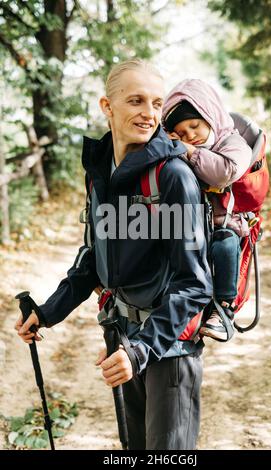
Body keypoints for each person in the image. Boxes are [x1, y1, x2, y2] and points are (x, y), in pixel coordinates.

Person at [15, 60, 213, 450]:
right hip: (122, 336)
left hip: (167, 347)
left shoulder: (172, 177)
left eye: (156, 103)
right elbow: (93, 257)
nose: (149, 114)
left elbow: (194, 284)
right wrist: (49, 311)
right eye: (136, 101)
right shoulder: (100, 172)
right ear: (108, 106)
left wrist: (142, 350)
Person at [162, 79, 252, 341]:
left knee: (224, 245)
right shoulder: (183, 148)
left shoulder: (232, 143)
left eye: (194, 125)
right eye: (181, 131)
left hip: (226, 223)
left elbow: (225, 173)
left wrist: (187, 151)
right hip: (193, 224)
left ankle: (224, 311)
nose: (190, 135)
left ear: (210, 118)